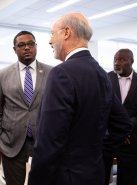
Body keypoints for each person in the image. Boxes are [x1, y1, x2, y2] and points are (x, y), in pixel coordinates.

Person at [28, 13, 132, 185]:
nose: (49, 41)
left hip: (64, 177)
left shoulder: (61, 73)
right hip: (95, 174)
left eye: (52, 33)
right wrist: (98, 152)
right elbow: (123, 125)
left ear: (66, 32)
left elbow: (49, 142)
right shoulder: (101, 74)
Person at [0, 30, 52, 185]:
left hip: (43, 141)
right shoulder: (2, 74)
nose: (27, 48)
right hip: (12, 143)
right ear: (14, 49)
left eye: (31, 44)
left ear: (36, 46)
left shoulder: (52, 72)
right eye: (21, 45)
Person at [104, 48, 137, 185]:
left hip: (131, 141)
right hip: (107, 139)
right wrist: (116, 130)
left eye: (122, 59)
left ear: (132, 61)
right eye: (115, 59)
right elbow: (100, 109)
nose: (117, 63)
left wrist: (126, 131)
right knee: (101, 177)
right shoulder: (105, 78)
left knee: (128, 179)